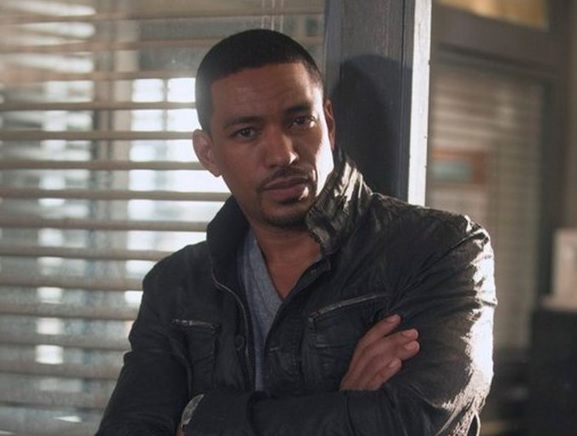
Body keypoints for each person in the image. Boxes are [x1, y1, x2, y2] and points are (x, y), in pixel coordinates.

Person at [96, 29, 496, 436]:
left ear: (329, 124)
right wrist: (344, 406)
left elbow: (411, 421)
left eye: (300, 121)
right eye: (247, 132)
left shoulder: (439, 250)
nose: (282, 154)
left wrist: (202, 421)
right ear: (208, 153)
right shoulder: (177, 287)